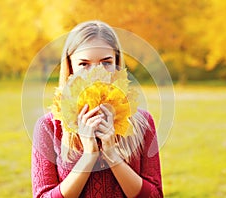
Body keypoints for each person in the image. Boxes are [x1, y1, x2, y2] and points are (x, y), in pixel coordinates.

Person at [31, 20, 163, 198]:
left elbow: (154, 195)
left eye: (106, 63)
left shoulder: (143, 122)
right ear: (70, 67)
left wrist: (112, 155)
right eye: (84, 64)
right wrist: (88, 156)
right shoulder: (49, 126)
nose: (96, 74)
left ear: (117, 63)